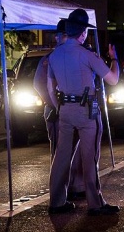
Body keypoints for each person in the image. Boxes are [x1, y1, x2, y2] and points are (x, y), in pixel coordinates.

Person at [46, 8, 120, 216]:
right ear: (83, 33)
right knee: (90, 158)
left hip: (65, 110)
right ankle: (95, 203)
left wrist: (59, 107)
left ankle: (57, 201)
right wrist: (114, 59)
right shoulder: (86, 55)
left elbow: (51, 88)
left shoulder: (54, 55)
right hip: (86, 111)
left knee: (62, 156)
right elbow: (113, 80)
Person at [33, 19, 85, 201]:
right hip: (56, 113)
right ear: (60, 37)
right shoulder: (50, 59)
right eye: (64, 35)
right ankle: (59, 195)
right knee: (60, 154)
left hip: (72, 112)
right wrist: (56, 106)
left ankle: (75, 186)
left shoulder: (70, 56)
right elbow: (39, 85)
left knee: (75, 152)